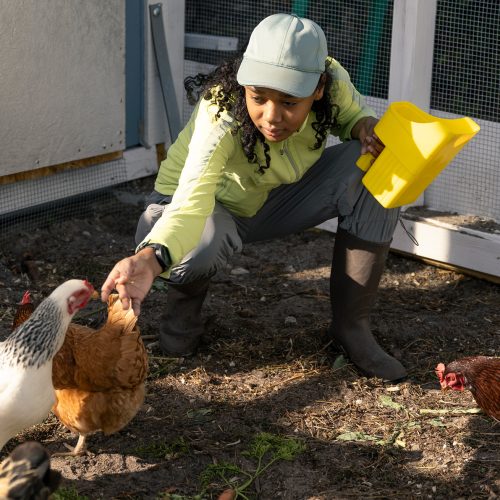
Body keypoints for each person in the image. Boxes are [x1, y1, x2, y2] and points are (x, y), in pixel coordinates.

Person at [101, 13, 407, 381]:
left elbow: (352, 116)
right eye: (258, 97)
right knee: (204, 239)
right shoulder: (221, 111)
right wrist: (150, 260)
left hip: (267, 199)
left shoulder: (331, 79)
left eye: (290, 102)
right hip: (195, 208)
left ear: (318, 89)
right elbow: (191, 202)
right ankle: (181, 323)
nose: (271, 116)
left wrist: (365, 126)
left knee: (377, 163)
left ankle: (351, 328)